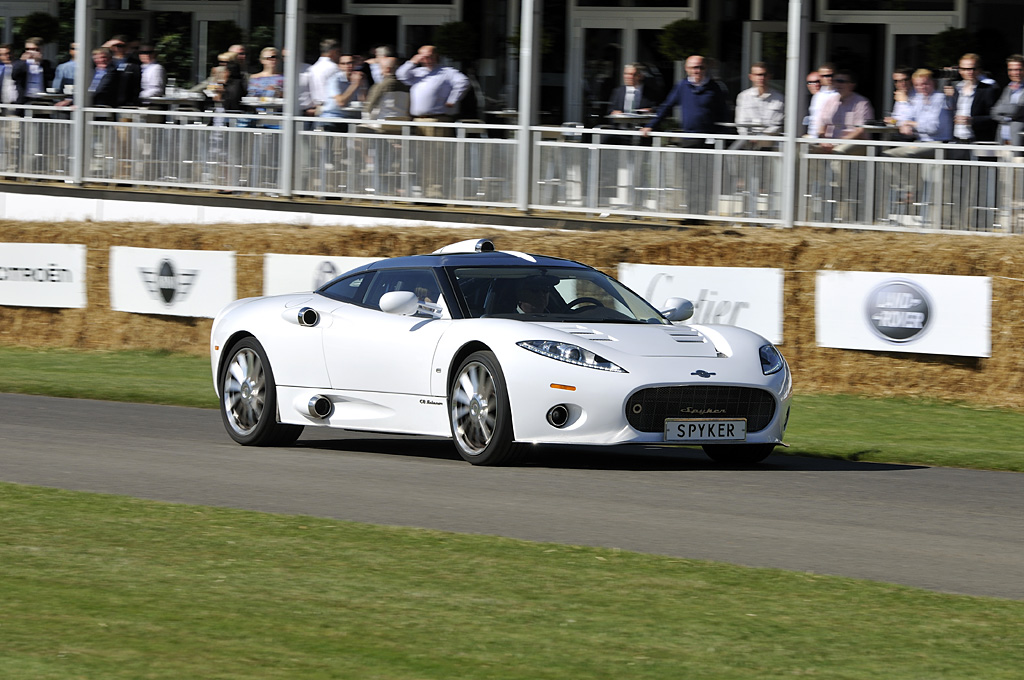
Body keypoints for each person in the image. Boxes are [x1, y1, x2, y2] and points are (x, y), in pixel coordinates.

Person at [640, 54, 728, 139]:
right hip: (689, 136)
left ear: (706, 68)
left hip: (709, 136)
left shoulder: (714, 87)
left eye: (701, 67)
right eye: (694, 67)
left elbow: (723, 110)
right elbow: (667, 107)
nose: (698, 71)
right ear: (687, 69)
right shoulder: (682, 86)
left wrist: (721, 133)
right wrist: (651, 126)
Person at [395, 44, 469, 125]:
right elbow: (400, 75)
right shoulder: (418, 72)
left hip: (437, 119)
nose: (427, 60)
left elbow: (463, 82)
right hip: (418, 120)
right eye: (423, 57)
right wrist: (412, 62)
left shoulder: (447, 72)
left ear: (436, 56)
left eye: (429, 56)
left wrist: (452, 99)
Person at [945, 52, 1000, 145]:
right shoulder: (955, 89)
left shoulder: (988, 89)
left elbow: (994, 117)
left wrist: (973, 120)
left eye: (973, 69)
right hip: (956, 140)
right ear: (960, 70)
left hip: (978, 141)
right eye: (965, 69)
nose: (969, 72)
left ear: (979, 70)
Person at [815, 69, 874, 153]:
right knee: (806, 149)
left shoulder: (862, 102)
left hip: (854, 143)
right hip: (830, 143)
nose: (837, 84)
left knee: (838, 151)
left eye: (841, 81)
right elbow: (822, 127)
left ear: (852, 85)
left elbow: (860, 130)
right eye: (835, 81)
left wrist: (839, 142)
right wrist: (823, 141)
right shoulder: (830, 101)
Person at [734, 61, 784, 137]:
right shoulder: (744, 97)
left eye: (764, 74)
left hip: (773, 142)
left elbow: (778, 124)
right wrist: (748, 138)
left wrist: (763, 137)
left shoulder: (779, 98)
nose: (761, 78)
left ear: (769, 76)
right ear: (751, 77)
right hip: (749, 143)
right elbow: (741, 123)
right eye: (757, 75)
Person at [319, 54, 366, 129]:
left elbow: (363, 102)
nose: (348, 66)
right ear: (339, 66)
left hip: (352, 118)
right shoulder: (334, 80)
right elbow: (341, 102)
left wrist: (362, 86)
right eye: (343, 63)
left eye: (351, 63)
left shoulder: (359, 78)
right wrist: (355, 85)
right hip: (334, 117)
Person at [990, 54, 1024, 148]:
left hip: (1020, 143)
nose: (1015, 73)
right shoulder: (1007, 89)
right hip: (1003, 140)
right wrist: (1007, 116)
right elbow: (993, 112)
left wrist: (1002, 110)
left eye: (1019, 69)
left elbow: (1016, 110)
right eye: (1011, 70)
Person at [307, 38, 341, 113]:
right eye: (338, 52)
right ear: (333, 52)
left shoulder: (313, 67)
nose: (339, 56)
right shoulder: (334, 68)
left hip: (316, 106)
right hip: (331, 107)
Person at [805, 62, 838, 139]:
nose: (829, 78)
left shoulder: (838, 95)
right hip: (812, 137)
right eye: (825, 76)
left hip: (829, 139)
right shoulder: (817, 95)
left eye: (831, 75)